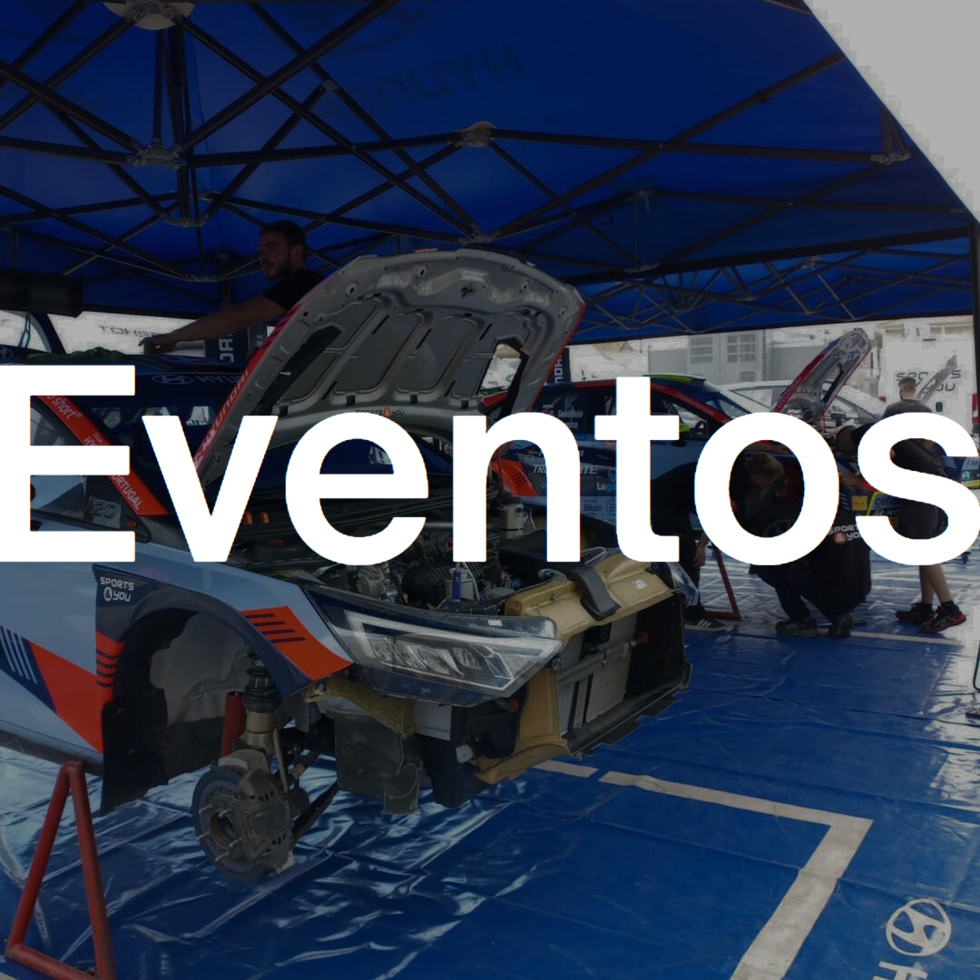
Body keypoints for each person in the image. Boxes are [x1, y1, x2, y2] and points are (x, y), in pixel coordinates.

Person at [836, 423, 966, 633]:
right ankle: (925, 608)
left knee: (922, 550)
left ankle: (950, 609)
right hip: (935, 482)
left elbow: (887, 454)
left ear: (846, 440)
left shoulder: (862, 434)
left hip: (919, 488)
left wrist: (858, 478)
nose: (848, 455)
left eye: (843, 450)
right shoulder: (882, 429)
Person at [142, 221, 321, 354]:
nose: (262, 256)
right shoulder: (306, 287)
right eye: (260, 249)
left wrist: (172, 337)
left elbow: (237, 318)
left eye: (271, 247)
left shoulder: (302, 283)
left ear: (297, 251)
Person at [649, 462, 725, 630]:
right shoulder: (718, 483)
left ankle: (676, 609)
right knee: (688, 557)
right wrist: (701, 547)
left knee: (682, 553)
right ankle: (691, 615)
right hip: (666, 500)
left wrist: (701, 546)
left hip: (667, 498)